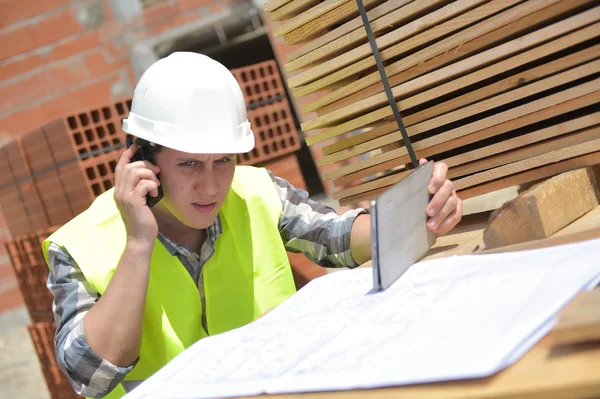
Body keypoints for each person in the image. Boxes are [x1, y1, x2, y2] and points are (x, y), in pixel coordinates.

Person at [43, 52, 463, 399]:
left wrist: (416, 213)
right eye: (189, 164)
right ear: (142, 160)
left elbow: (336, 237)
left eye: (223, 161)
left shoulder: (255, 191)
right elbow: (90, 376)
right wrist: (138, 243)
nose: (211, 186)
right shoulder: (79, 247)